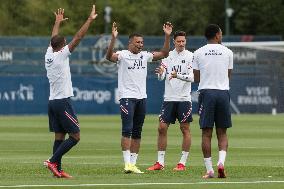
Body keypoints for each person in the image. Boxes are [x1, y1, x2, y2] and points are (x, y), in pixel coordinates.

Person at [106, 22, 173, 174]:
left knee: (137, 132)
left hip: (142, 98)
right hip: (127, 98)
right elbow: (109, 56)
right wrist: (113, 39)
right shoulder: (123, 55)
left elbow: (164, 54)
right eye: (137, 42)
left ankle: (133, 164)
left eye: (142, 42)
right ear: (130, 43)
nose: (140, 45)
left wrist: (167, 36)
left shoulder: (145, 56)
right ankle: (126, 163)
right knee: (127, 130)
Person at [44, 5, 98, 178]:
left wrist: (57, 22)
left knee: (59, 137)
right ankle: (52, 161)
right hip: (62, 102)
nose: (67, 44)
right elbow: (78, 37)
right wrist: (89, 20)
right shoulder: (61, 55)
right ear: (62, 47)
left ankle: (57, 171)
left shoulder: (49, 54)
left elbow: (54, 38)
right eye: (65, 43)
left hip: (53, 102)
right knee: (75, 136)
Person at [147, 31, 194, 171]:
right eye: (179, 41)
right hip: (169, 98)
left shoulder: (191, 56)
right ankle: (160, 163)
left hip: (184, 99)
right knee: (161, 128)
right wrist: (161, 73)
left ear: (185, 41)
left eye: (183, 41)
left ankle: (182, 163)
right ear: (174, 42)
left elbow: (192, 77)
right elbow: (162, 77)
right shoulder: (167, 56)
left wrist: (177, 75)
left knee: (185, 129)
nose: (181, 44)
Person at [192, 24, 233, 179]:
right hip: (223, 93)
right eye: (221, 33)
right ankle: (221, 163)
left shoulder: (198, 53)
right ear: (217, 35)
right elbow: (229, 74)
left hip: (206, 93)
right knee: (222, 132)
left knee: (206, 133)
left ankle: (210, 170)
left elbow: (196, 78)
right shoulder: (228, 52)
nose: (221, 35)